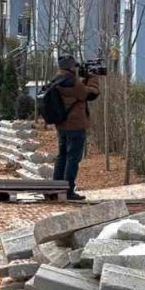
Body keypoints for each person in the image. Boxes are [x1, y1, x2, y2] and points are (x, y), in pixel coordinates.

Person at [52, 55, 100, 201]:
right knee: (73, 158)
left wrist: (83, 81)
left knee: (62, 156)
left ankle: (56, 188)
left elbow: (77, 92)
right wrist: (93, 78)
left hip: (62, 125)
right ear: (70, 67)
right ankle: (68, 190)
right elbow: (90, 94)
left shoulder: (58, 79)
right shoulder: (72, 81)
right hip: (76, 126)